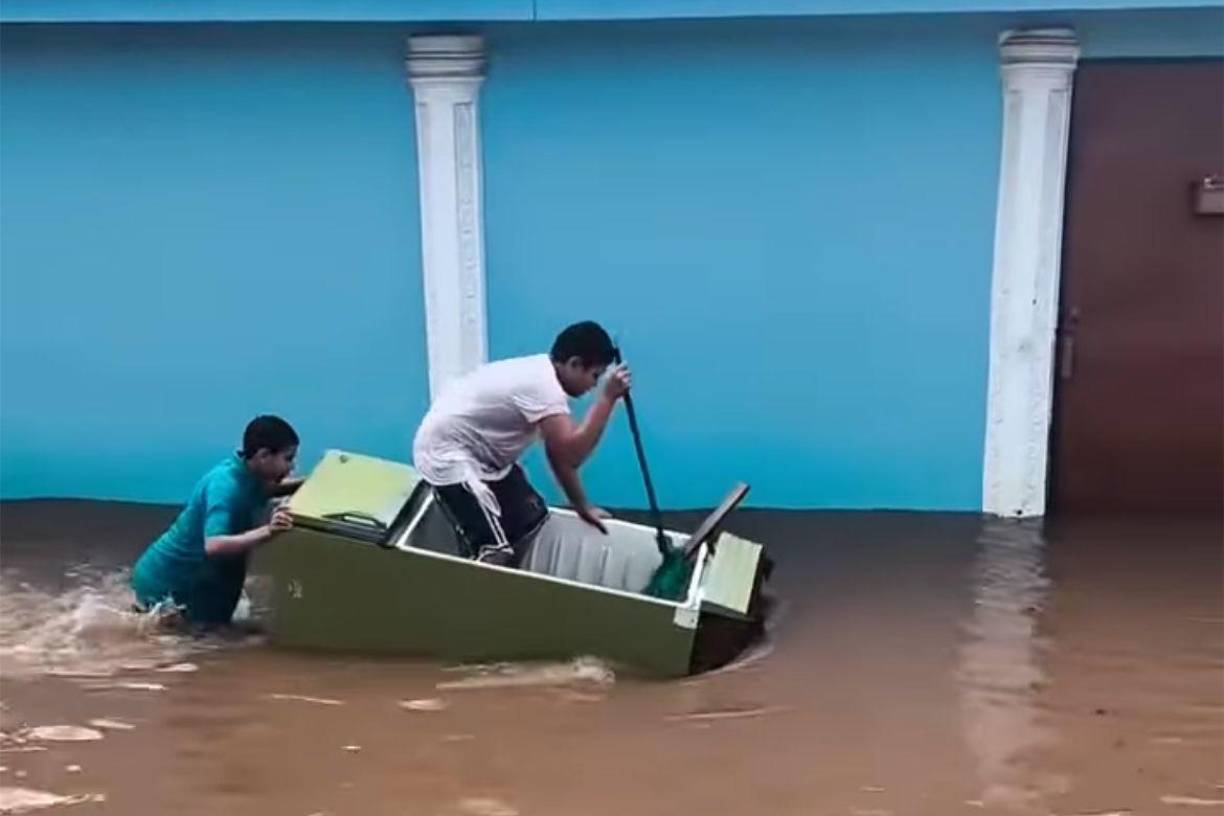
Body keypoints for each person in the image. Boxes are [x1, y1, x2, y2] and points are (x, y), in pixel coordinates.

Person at [412, 321, 631, 566]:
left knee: (531, 520)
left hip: (486, 459)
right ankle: (478, 589)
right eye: (595, 376)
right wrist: (607, 400)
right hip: (446, 455)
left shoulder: (544, 377)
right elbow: (570, 455)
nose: (594, 385)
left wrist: (582, 507)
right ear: (574, 364)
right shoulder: (543, 388)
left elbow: (560, 460)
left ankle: (506, 583)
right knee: (493, 550)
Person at [130, 415, 303, 628]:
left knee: (215, 638)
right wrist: (269, 530)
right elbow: (214, 545)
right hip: (164, 581)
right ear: (264, 455)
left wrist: (310, 481)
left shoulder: (248, 474)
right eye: (288, 458)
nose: (292, 467)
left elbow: (267, 490)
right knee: (181, 645)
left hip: (194, 577)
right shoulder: (225, 486)